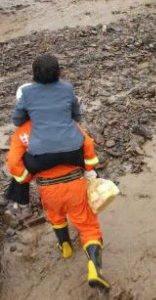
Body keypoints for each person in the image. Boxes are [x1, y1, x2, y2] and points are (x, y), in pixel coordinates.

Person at [7, 119, 110, 291]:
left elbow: (13, 162)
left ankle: (65, 247)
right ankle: (94, 267)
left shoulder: (22, 133)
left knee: (55, 215)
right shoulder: (64, 120)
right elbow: (87, 142)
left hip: (48, 188)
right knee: (87, 225)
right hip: (75, 182)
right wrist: (90, 167)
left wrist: (26, 178)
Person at [6, 54, 88, 215]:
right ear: (58, 72)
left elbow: (16, 120)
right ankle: (96, 181)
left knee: (19, 161)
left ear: (34, 73)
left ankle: (20, 201)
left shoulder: (27, 93)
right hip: (74, 153)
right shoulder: (67, 88)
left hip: (42, 159)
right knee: (87, 150)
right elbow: (77, 116)